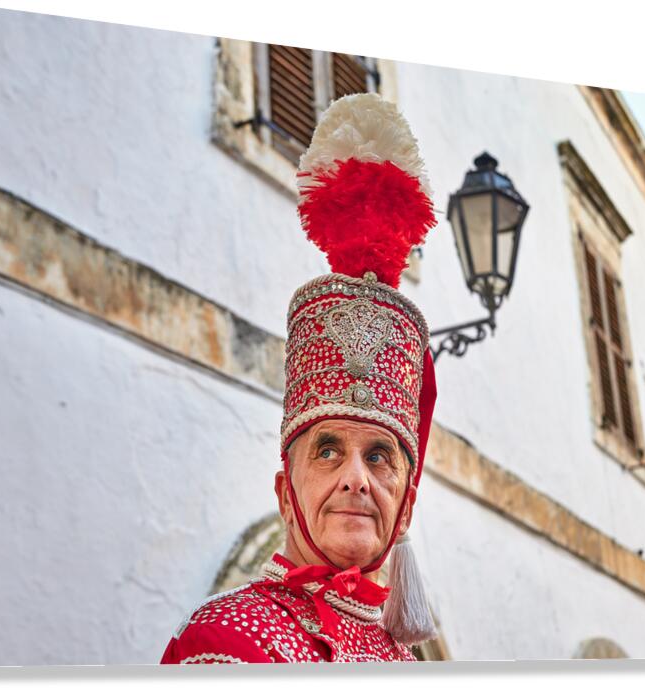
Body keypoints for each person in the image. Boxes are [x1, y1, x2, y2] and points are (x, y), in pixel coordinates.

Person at [160, 92, 438, 664]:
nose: (357, 478)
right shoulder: (224, 639)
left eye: (380, 455)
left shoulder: (405, 659)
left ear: (406, 507)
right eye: (329, 450)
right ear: (286, 491)